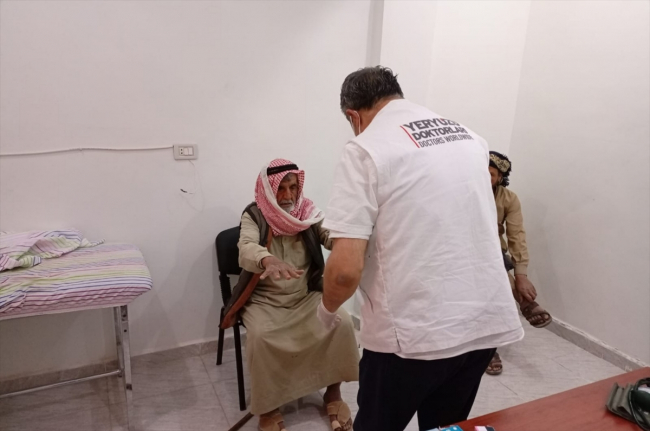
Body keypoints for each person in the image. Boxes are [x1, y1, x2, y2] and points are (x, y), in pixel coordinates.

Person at [316, 66, 524, 431]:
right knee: (445, 426)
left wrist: (325, 312)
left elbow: (345, 270)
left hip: (413, 336)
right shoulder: (469, 137)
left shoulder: (365, 149)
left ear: (353, 116)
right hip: (482, 323)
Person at [236, 159, 359, 431]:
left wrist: (350, 240)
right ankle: (269, 408)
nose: (288, 195)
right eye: (281, 188)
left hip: (304, 296)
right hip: (264, 301)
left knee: (342, 322)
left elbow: (329, 234)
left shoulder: (307, 213)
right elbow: (246, 247)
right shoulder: (254, 215)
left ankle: (333, 393)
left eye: (293, 187)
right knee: (261, 337)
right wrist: (267, 259)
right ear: (269, 190)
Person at [485, 151, 553, 376]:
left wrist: (521, 274)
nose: (485, 177)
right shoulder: (462, 192)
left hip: (493, 253)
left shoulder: (509, 199)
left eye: (491, 174)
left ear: (500, 177)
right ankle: (524, 302)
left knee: (496, 290)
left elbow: (516, 236)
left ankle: (487, 350)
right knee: (492, 285)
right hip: (462, 252)